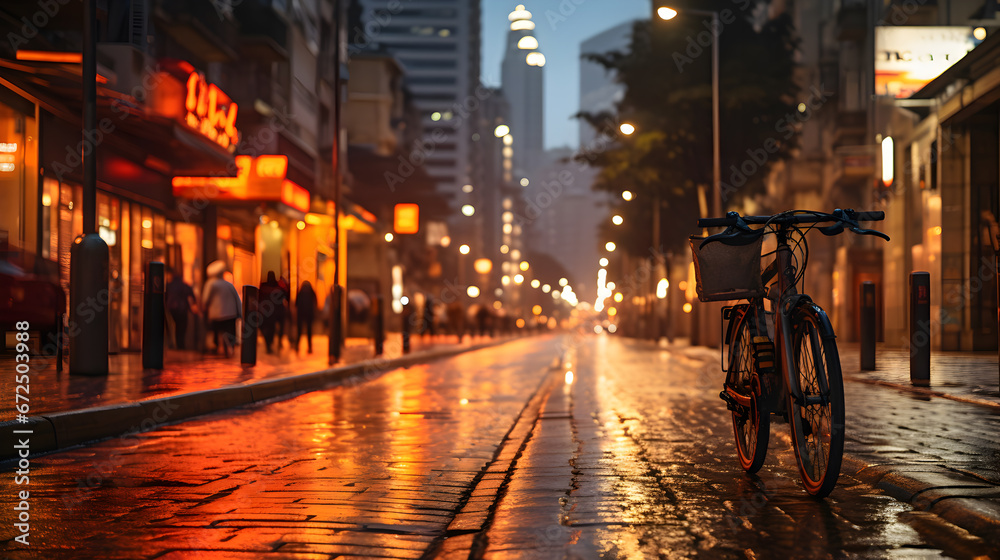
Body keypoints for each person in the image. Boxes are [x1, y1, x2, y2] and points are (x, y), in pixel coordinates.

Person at [201, 260, 241, 357]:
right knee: (229, 333)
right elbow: (237, 299)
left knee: (217, 332)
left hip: (217, 314)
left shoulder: (211, 284)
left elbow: (205, 299)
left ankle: (219, 349)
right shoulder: (229, 285)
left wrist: (203, 309)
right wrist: (239, 313)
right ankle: (229, 349)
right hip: (231, 314)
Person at [165, 269, 198, 350]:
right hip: (183, 308)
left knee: (173, 326)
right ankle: (181, 344)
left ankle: (174, 343)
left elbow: (165, 297)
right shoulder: (184, 285)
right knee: (182, 327)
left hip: (172, 308)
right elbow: (191, 294)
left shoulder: (169, 285)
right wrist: (193, 304)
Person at [259, 271, 287, 353]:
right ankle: (274, 343)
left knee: (267, 328)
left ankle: (268, 345)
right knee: (273, 328)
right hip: (276, 311)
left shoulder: (263, 286)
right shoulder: (278, 286)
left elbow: (259, 298)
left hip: (266, 312)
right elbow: (284, 295)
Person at [295, 280, 318, 353]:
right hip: (309, 314)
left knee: (299, 331)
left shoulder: (300, 292)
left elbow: (296, 304)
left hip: (301, 314)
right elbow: (315, 303)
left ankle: (297, 346)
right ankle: (310, 347)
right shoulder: (312, 292)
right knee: (309, 331)